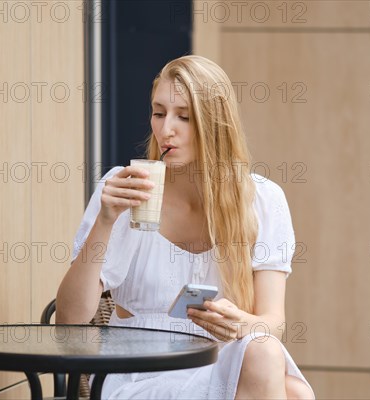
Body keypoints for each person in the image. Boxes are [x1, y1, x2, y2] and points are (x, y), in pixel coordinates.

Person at [56, 55, 315, 400]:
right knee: (289, 388)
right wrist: (105, 220)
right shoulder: (126, 189)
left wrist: (241, 323)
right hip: (140, 371)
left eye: (184, 117)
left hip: (221, 357)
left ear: (216, 124)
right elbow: (69, 320)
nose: (166, 130)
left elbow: (273, 322)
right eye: (159, 113)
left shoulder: (262, 200)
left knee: (269, 356)